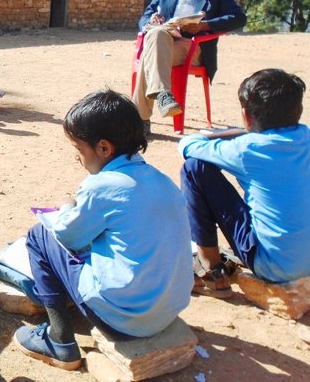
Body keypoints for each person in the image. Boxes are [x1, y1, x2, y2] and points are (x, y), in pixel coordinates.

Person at [14, 90, 192, 371]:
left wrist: (67, 208)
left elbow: (68, 236)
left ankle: (59, 339)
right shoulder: (162, 180)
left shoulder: (101, 187)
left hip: (124, 320)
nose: (78, 158)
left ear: (104, 149)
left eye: (79, 150)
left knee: (39, 236)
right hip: (170, 310)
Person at [179, 69, 310, 298]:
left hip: (275, 267)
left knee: (194, 168)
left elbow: (187, 145)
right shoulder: (309, 138)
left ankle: (210, 268)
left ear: (247, 115)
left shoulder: (247, 149)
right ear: (298, 110)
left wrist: (228, 132)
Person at [134, 0, 246, 129]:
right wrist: (152, 19)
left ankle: (140, 121)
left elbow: (239, 18)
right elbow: (145, 17)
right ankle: (163, 95)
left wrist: (204, 25)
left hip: (194, 46)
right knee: (156, 33)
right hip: (164, 39)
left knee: (150, 54)